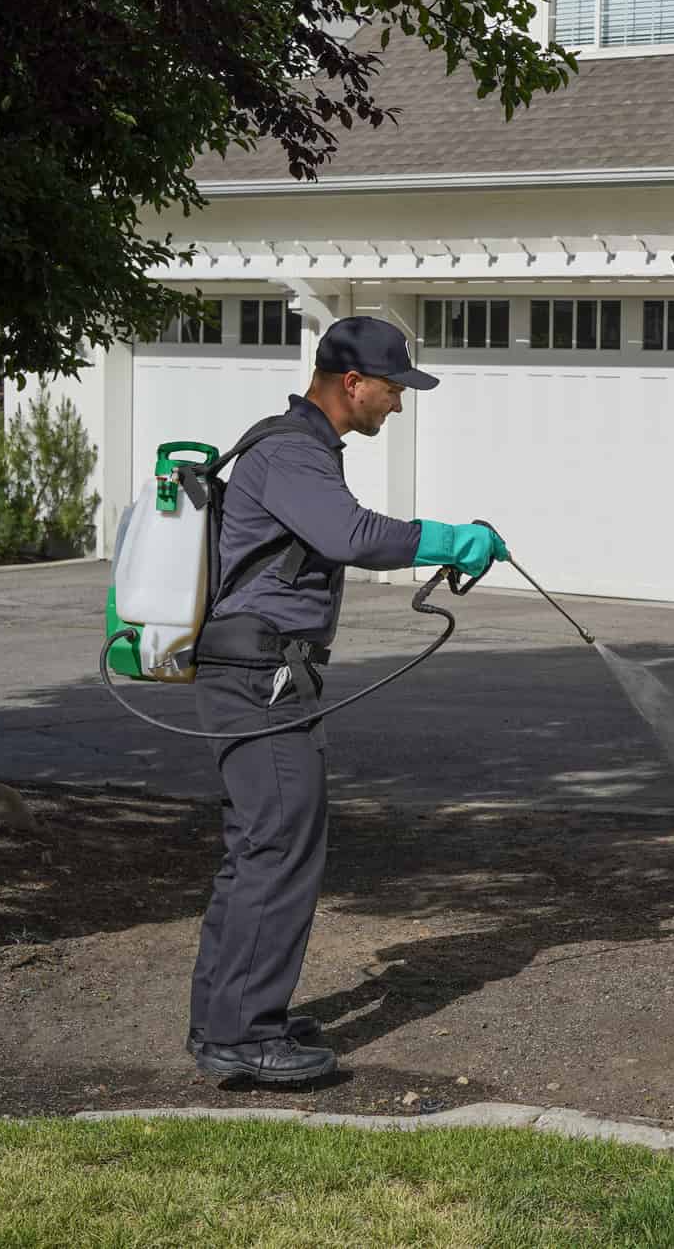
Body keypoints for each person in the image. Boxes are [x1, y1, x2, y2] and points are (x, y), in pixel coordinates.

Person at [185, 315, 507, 1084]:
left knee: (258, 847)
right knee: (281, 846)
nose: (397, 404)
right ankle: (245, 1036)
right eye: (393, 388)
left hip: (260, 674)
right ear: (351, 382)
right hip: (260, 677)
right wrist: (450, 538)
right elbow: (351, 534)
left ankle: (226, 1020)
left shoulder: (293, 445)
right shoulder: (293, 451)